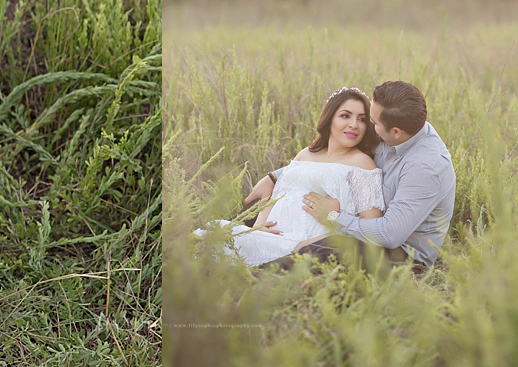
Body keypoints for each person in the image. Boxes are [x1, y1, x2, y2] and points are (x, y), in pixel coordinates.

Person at [247, 80, 456, 272]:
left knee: (332, 247)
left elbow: (389, 235)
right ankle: (236, 243)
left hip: (402, 255)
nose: (364, 127)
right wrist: (274, 177)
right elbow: (332, 162)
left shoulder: (426, 168)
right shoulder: (394, 129)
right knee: (255, 207)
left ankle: (260, 274)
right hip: (372, 230)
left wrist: (334, 218)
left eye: (372, 122)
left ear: (396, 132)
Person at [195, 87, 385, 266]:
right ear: (329, 118)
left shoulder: (362, 163)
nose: (354, 125)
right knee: (211, 231)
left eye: (361, 119)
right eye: (345, 116)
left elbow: (371, 228)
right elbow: (280, 192)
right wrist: (260, 224)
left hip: (306, 245)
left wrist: (324, 241)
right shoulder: (306, 153)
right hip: (272, 237)